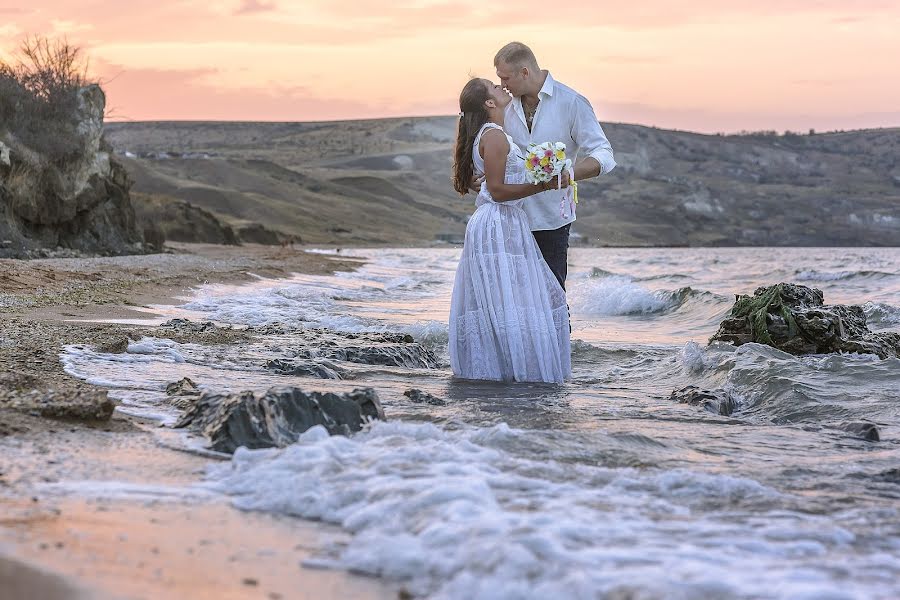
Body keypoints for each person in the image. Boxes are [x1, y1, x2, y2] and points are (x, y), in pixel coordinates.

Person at [448, 78, 571, 384]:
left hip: (500, 221)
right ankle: (516, 371)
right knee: (513, 295)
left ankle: (505, 368)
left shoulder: (493, 135)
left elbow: (491, 183)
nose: (501, 88)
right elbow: (499, 191)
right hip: (498, 221)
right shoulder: (494, 137)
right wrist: (543, 185)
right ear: (489, 104)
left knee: (507, 296)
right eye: (494, 87)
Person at [485, 41, 617, 290]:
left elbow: (604, 153)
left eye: (506, 78)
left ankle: (559, 331)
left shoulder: (572, 102)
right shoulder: (504, 105)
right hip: (509, 217)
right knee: (513, 296)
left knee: (552, 294)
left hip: (551, 219)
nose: (502, 85)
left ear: (525, 72)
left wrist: (570, 173)